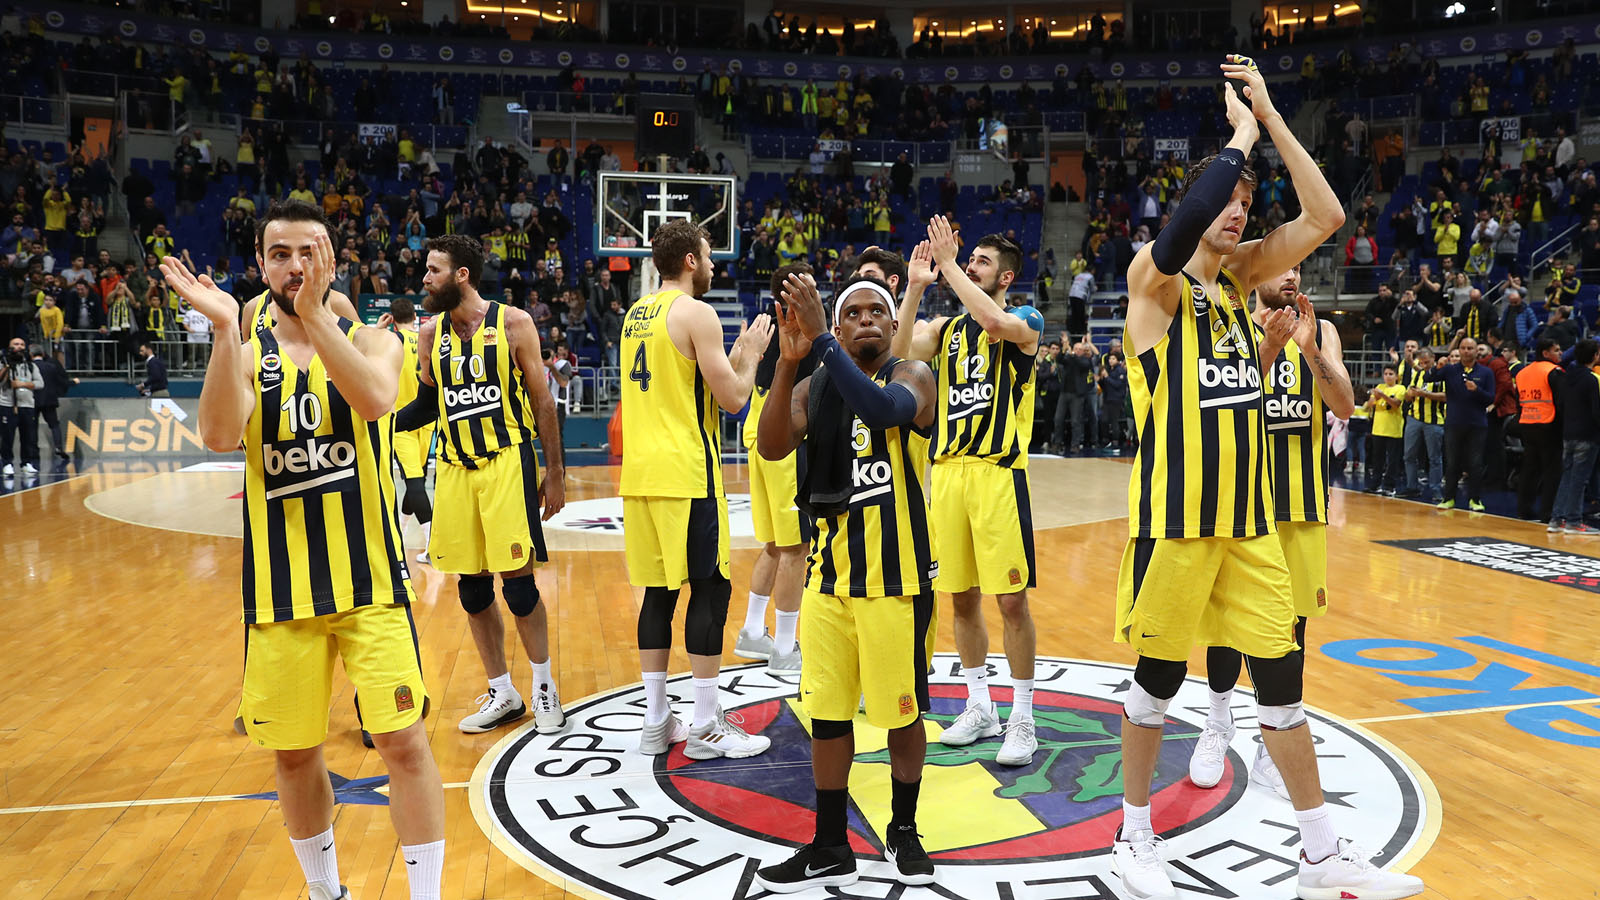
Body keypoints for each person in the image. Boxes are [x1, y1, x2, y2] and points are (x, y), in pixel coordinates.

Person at [1110, 56, 1422, 900]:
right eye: (1226, 200)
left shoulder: (1243, 295)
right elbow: (1181, 235)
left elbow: (1326, 215)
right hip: (1177, 521)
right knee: (1157, 682)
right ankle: (1132, 836)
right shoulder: (1153, 284)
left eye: (1246, 205)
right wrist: (1240, 135)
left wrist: (1273, 117)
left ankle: (1318, 855)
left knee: (1282, 688)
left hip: (1250, 527)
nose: (1237, 213)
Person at [163, 200, 445, 900]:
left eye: (308, 252)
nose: (295, 266)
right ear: (261, 265)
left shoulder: (375, 339)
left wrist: (316, 315)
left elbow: (375, 400)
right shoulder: (245, 352)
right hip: (281, 590)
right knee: (293, 754)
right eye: (280, 254)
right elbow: (219, 435)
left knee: (404, 744)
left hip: (371, 582)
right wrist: (223, 330)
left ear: (332, 261)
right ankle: (326, 892)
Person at [752, 272, 938, 892]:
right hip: (828, 581)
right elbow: (772, 446)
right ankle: (830, 844)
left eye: (874, 311)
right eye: (851, 313)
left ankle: (904, 829)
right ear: (838, 325)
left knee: (901, 716)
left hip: (897, 582)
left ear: (892, 323)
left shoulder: (913, 375)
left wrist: (824, 343)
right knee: (829, 717)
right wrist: (788, 362)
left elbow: (884, 412)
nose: (864, 321)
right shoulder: (816, 382)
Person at [1189, 262, 1355, 797]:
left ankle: (1271, 742)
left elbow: (1345, 405)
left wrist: (1308, 349)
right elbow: (1214, 405)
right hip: (1240, 503)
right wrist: (1269, 346)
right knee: (1225, 626)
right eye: (1283, 264)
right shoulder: (1229, 323)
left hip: (1301, 504)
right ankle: (1218, 722)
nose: (1292, 275)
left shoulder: (1322, 329)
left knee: (1291, 629)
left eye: (1299, 266)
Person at [394, 234, 568, 735]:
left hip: (506, 462)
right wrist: (380, 422)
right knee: (471, 590)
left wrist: (555, 472)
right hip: (453, 469)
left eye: (434, 270)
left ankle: (544, 688)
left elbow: (542, 400)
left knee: (519, 586)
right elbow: (429, 404)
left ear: (462, 275)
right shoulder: (430, 334)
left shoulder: (513, 323)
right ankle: (503, 692)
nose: (425, 279)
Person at [891, 217, 1043, 767]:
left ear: (1005, 277)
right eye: (968, 258)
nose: (969, 265)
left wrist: (951, 266)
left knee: (1011, 601)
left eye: (981, 261)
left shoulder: (1025, 319)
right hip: (948, 475)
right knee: (960, 598)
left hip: (997, 474)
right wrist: (914, 287)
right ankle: (981, 706)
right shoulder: (946, 330)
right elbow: (896, 357)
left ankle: (1023, 716)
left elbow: (996, 322)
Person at [621, 219, 775, 759]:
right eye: (708, 257)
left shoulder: (636, 314)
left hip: (641, 476)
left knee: (658, 595)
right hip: (687, 474)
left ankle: (656, 719)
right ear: (690, 260)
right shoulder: (697, 312)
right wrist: (751, 353)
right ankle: (707, 724)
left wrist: (731, 360)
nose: (712, 266)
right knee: (710, 590)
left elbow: (693, 386)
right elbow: (733, 399)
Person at [733, 263, 816, 676]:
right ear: (792, 292)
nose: (816, 294)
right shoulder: (801, 329)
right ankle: (784, 647)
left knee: (773, 544)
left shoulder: (763, 324)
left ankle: (752, 630)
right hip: (786, 440)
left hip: (758, 436)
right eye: (809, 287)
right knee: (795, 548)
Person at [377, 298, 436, 565]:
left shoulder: (392, 341)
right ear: (414, 316)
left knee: (413, 483)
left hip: (402, 422)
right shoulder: (425, 339)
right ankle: (398, 534)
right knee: (416, 481)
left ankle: (433, 545)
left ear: (392, 319)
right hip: (426, 421)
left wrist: (378, 331)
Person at [1432, 336, 1496, 511]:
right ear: (1458, 350)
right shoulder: (1450, 370)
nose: (1466, 351)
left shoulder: (1486, 372)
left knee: (1475, 463)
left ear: (1476, 351)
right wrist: (1437, 366)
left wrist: (1477, 390)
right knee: (1452, 462)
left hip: (1477, 424)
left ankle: (1475, 499)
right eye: (1463, 348)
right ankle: (1448, 498)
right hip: (1454, 423)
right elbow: (1429, 378)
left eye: (1470, 348)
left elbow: (1490, 398)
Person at [1550, 340, 1600, 534]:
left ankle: (1557, 519)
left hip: (1568, 433)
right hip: (1587, 435)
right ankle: (1573, 521)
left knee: (1567, 477)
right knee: (1580, 480)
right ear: (1595, 356)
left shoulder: (1566, 377)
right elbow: (1596, 411)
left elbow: (1560, 405)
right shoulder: (1591, 379)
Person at [1514, 339, 1564, 525]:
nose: (1560, 353)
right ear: (1545, 353)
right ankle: (1548, 513)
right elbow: (1561, 402)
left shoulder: (1522, 372)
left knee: (1529, 469)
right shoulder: (1553, 372)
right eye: (1556, 350)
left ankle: (1523, 509)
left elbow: (1519, 400)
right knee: (1552, 472)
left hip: (1527, 423)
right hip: (1549, 425)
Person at [1398, 348, 1447, 502]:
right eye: (1422, 363)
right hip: (1414, 418)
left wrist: (1425, 394)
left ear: (1433, 358)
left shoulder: (1443, 374)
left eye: (1427, 362)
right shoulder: (1418, 374)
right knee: (1409, 455)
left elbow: (1446, 396)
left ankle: (1436, 489)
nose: (1424, 365)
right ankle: (1412, 487)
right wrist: (1410, 394)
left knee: (1434, 458)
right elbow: (1407, 396)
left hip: (1434, 420)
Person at [1, 337, 44, 476]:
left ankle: (26, 463)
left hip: (27, 405)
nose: (19, 347)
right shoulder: (3, 363)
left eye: (22, 344)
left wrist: (23, 384)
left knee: (27, 436)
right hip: (8, 405)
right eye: (16, 344)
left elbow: (40, 383)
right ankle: (7, 463)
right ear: (10, 347)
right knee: (7, 436)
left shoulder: (31, 366)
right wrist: (6, 367)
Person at [1364, 366, 1407, 494]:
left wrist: (1382, 395)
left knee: (1392, 460)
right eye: (1386, 374)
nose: (1388, 376)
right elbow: (1369, 404)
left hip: (1393, 430)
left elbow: (1396, 404)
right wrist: (1375, 398)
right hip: (1378, 429)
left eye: (1391, 374)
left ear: (1396, 376)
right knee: (1377, 459)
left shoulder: (1400, 388)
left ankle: (1389, 486)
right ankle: (1375, 484)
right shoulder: (1379, 386)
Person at [30, 344, 75, 462]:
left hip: (33, 401)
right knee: (54, 425)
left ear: (31, 355)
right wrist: (73, 383)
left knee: (32, 426)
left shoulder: (29, 367)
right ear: (43, 354)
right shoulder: (51, 367)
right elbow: (61, 382)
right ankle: (58, 447)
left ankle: (33, 449)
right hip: (49, 400)